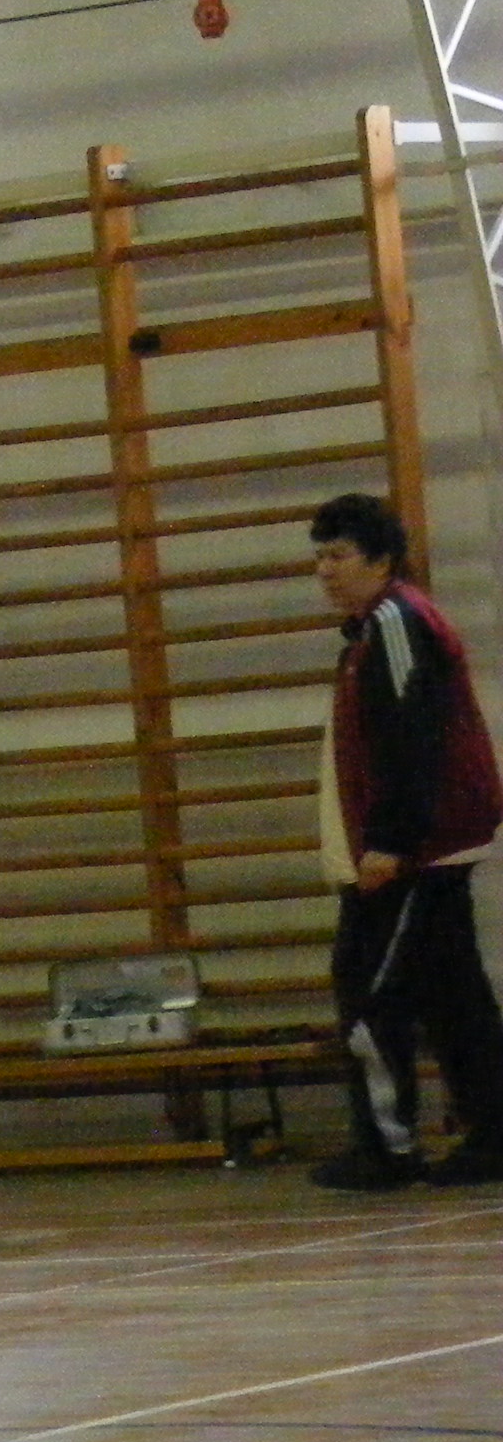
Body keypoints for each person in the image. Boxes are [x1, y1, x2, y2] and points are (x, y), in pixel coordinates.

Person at [302, 493, 503, 1189]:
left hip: (414, 851)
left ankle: (386, 1149)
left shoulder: (395, 622)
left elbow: (411, 734)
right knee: (454, 997)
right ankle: (494, 1135)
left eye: (338, 556)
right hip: (433, 844)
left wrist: (389, 841)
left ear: (382, 559)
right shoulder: (378, 629)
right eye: (318, 558)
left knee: (367, 989)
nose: (324, 571)